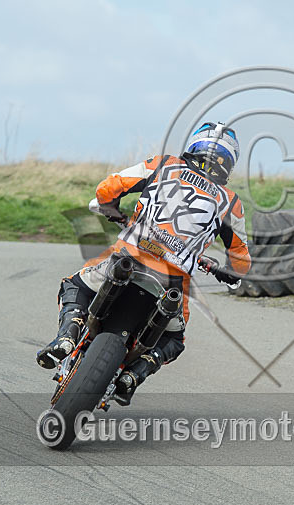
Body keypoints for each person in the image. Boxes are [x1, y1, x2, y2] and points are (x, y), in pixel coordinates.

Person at [36, 122, 250, 402]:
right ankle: (135, 373)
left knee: (76, 284)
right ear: (229, 164)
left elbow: (106, 189)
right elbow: (242, 262)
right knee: (173, 340)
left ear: (193, 147)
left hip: (127, 258)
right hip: (171, 282)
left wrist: (112, 209)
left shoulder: (162, 165)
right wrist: (224, 270)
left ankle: (68, 334)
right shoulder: (231, 203)